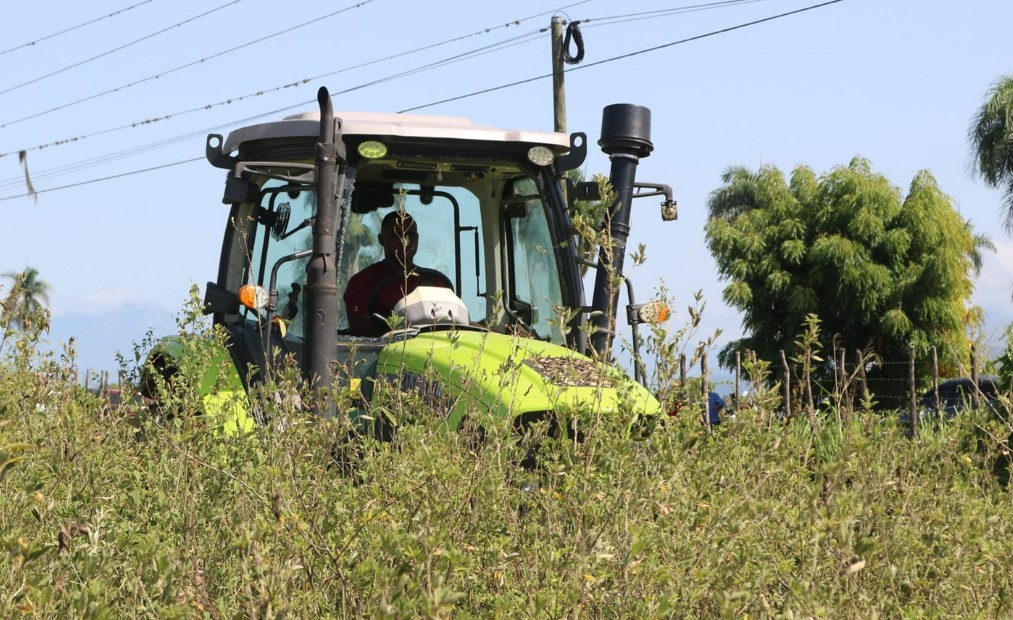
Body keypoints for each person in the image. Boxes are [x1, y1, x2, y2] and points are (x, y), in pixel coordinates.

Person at [342, 211, 452, 336]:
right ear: (381, 240)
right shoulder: (361, 282)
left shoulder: (436, 283)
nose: (405, 241)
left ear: (417, 239)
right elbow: (360, 329)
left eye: (410, 235)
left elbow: (453, 322)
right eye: (396, 236)